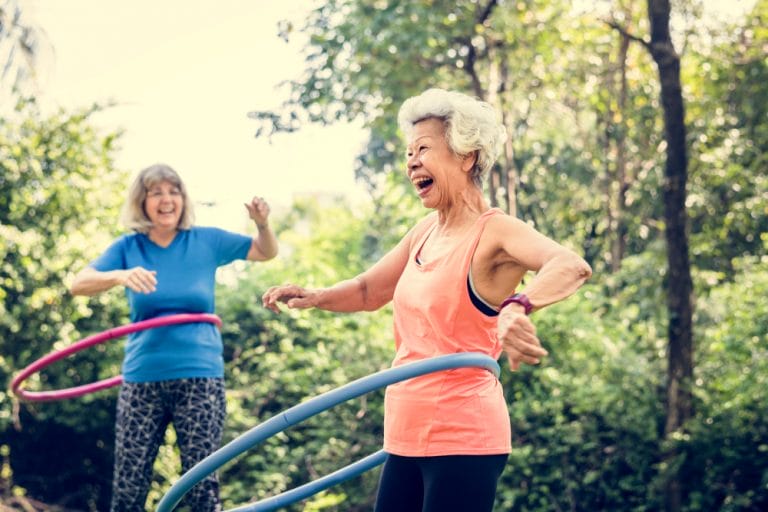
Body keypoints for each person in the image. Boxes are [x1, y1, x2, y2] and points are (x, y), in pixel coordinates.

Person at [261, 88, 592, 512]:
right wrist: (316, 296)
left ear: (466, 155)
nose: (411, 161)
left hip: (464, 435)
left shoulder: (495, 231)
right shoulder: (425, 231)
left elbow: (570, 264)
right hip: (403, 433)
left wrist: (518, 306)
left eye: (423, 149)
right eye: (408, 152)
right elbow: (368, 291)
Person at [70, 163, 278, 512]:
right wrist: (120, 276)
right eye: (156, 192)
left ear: (183, 198)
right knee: (128, 486)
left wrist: (262, 223)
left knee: (200, 486)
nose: (166, 199)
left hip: (200, 378)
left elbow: (265, 251)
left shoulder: (205, 240)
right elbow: (78, 283)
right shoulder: (128, 247)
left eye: (173, 191)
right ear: (142, 201)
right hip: (142, 379)